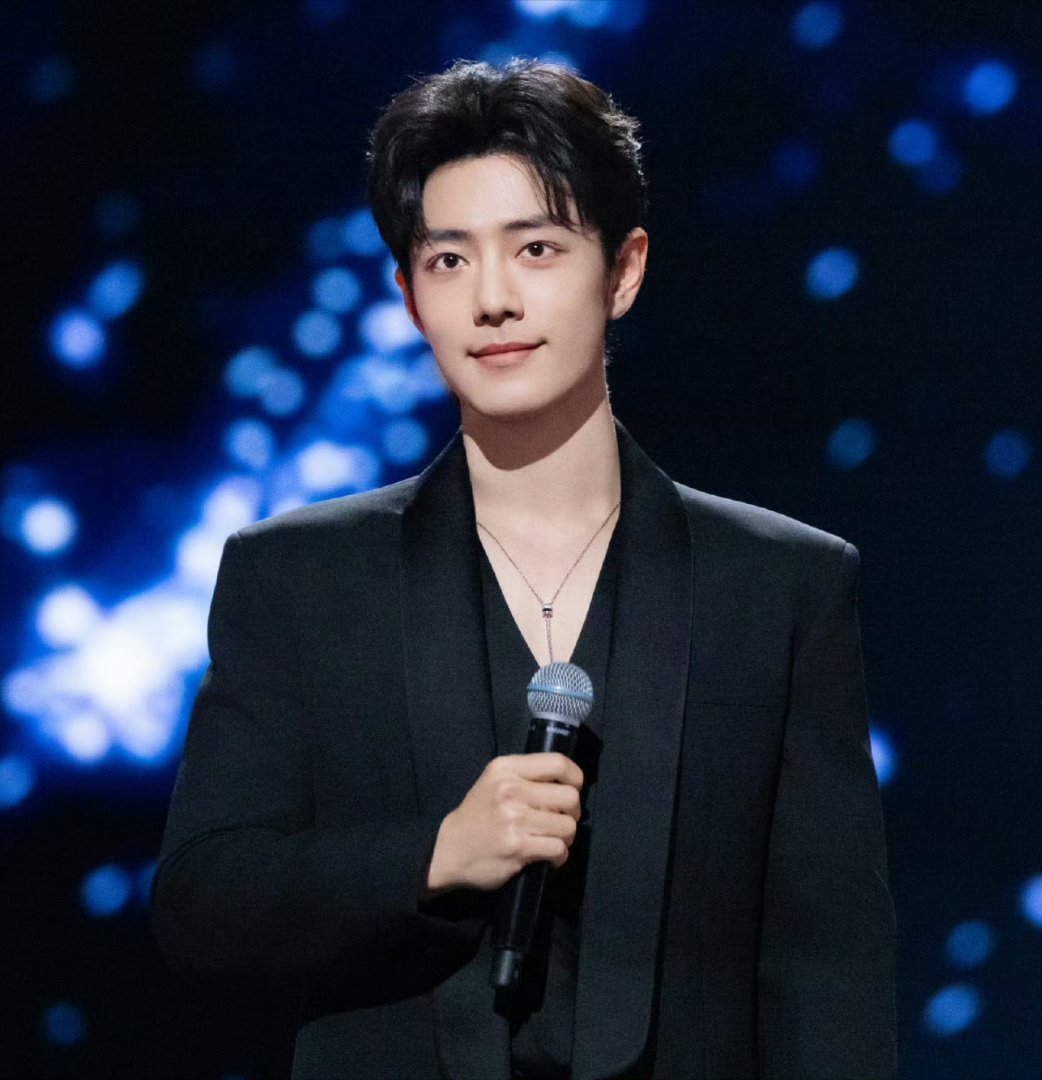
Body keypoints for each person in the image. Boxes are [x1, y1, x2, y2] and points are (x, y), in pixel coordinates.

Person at [151, 57, 896, 1080]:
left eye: (536, 248)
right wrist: (435, 855)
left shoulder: (779, 587)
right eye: (448, 260)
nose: (493, 299)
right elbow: (204, 903)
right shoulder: (299, 580)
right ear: (409, 298)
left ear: (623, 270)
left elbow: (831, 970)